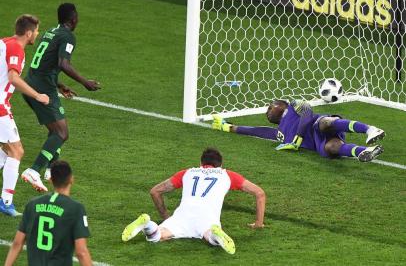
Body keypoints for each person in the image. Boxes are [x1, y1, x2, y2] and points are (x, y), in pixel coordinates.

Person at [121, 148, 266, 255]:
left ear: (201, 163)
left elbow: (155, 191)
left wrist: (166, 216)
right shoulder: (227, 175)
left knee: (158, 235)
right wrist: (258, 223)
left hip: (183, 215)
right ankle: (217, 234)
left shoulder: (188, 173)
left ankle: (147, 224)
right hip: (207, 217)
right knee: (210, 236)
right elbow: (260, 193)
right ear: (220, 165)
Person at [21, 3, 101, 192]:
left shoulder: (51, 32)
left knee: (55, 129)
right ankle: (34, 170)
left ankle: (50, 169)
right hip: (42, 90)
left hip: (30, 84)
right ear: (74, 19)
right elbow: (63, 64)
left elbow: (46, 63)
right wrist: (85, 82)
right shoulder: (68, 36)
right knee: (61, 133)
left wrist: (60, 85)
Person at [212, 100, 385, 162]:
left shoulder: (295, 106)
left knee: (326, 122)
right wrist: (228, 127)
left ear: (282, 105)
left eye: (270, 106)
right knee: (331, 148)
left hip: (316, 125)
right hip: (318, 143)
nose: (268, 111)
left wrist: (297, 139)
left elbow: (308, 112)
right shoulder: (279, 133)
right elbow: (256, 131)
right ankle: (367, 151)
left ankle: (370, 129)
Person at [0, 15, 50, 217]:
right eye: (36, 31)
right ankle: (6, 201)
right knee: (17, 151)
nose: (37, 34)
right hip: (0, 106)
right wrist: (38, 95)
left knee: (5, 152)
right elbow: (13, 77)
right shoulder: (16, 49)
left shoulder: (4, 42)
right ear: (29, 32)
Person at [5, 160, 92, 266]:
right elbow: (81, 252)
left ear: (50, 180)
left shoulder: (32, 205)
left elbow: (17, 243)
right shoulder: (75, 208)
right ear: (71, 179)